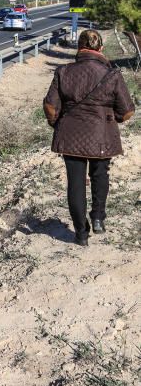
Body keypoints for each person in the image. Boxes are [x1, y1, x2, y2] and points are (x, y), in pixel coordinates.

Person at [43, 29, 135, 246]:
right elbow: (128, 111)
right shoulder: (112, 74)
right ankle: (98, 217)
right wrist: (115, 119)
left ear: (79, 48)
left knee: (75, 183)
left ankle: (81, 234)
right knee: (100, 174)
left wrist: (56, 123)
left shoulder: (63, 71)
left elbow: (49, 106)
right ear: (100, 48)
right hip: (101, 134)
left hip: (70, 135)